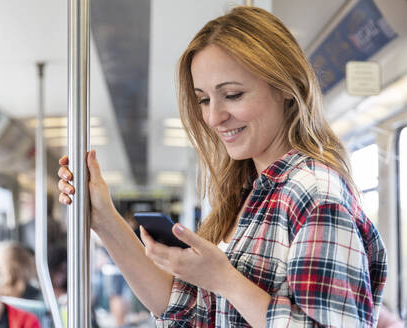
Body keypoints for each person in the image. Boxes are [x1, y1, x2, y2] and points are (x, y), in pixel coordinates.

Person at [58, 6, 387, 327]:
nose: (214, 117)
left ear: (287, 88)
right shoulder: (250, 194)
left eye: (232, 94)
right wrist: (102, 218)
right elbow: (187, 311)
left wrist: (226, 280)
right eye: (204, 99)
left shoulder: (315, 194)